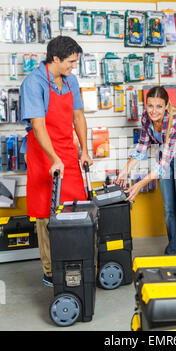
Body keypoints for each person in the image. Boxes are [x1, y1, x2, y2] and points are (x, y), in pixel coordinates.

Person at [20, 36, 93, 287]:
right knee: (46, 213)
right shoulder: (33, 83)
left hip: (67, 150)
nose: (74, 67)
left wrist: (84, 150)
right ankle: (51, 270)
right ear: (55, 59)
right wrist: (54, 159)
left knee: (78, 207)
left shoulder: (71, 80)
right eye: (71, 62)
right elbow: (38, 126)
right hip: (43, 153)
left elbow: (79, 116)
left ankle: (77, 261)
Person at [116, 86, 176, 277]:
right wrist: (125, 170)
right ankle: (174, 253)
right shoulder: (147, 118)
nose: (153, 110)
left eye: (158, 106)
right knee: (169, 211)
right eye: (150, 105)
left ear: (166, 106)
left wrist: (139, 185)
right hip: (166, 158)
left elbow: (163, 165)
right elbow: (142, 147)